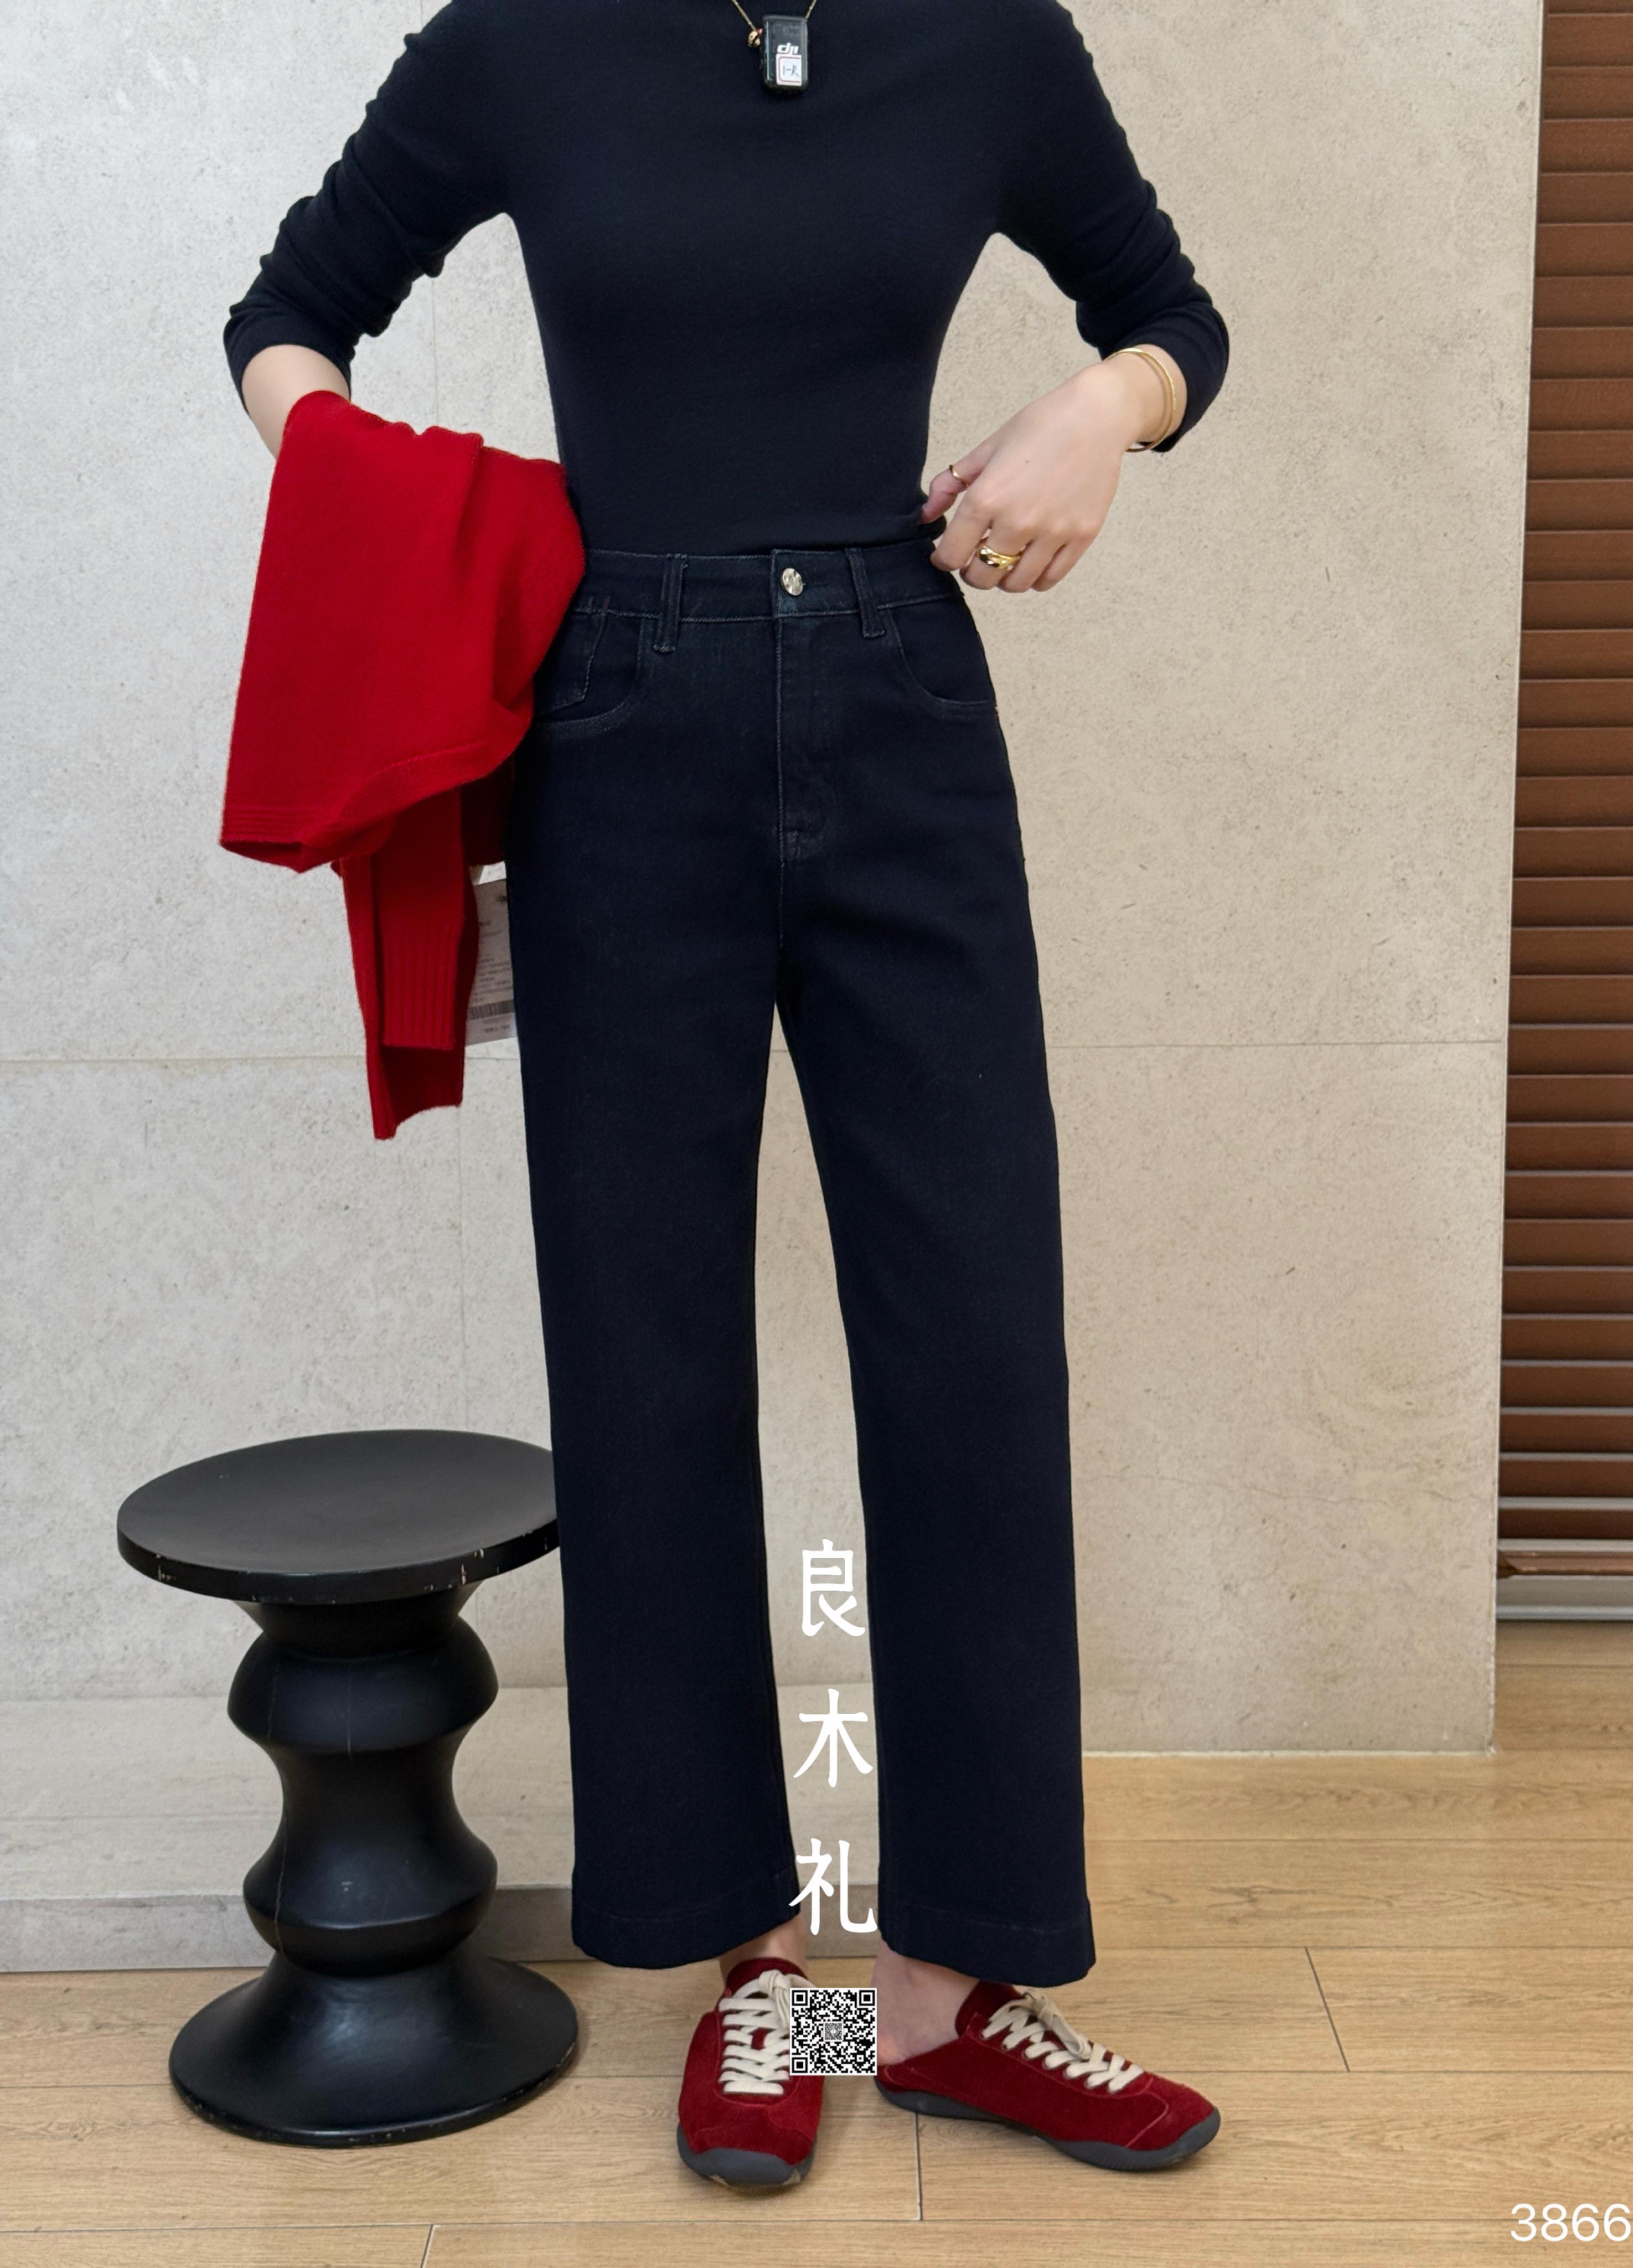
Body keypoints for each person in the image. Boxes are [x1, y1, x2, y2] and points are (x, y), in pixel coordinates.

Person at [224, 0, 1230, 2192]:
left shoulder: (986, 41)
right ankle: (759, 1970)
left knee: (974, 1346)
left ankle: (948, 2000)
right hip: (615, 723)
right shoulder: (523, 43)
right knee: (648, 1349)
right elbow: (287, 317)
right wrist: (385, 498)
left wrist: (1104, 407)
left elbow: (1175, 317)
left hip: (902, 699)